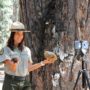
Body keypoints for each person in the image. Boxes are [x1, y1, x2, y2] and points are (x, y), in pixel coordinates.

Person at [0, 21, 57, 90]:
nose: (20, 37)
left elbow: (28, 68)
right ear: (12, 35)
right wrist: (15, 61)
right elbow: (13, 69)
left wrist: (43, 63)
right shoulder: (6, 50)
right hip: (11, 82)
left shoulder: (27, 50)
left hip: (24, 82)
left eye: (22, 34)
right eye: (17, 34)